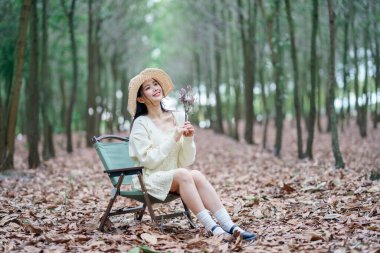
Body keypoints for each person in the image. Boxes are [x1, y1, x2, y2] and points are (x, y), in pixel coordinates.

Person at [127, 68, 255, 241]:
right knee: (183, 174)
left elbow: (186, 160)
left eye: (156, 84)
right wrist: (173, 139)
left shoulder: (177, 116)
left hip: (174, 175)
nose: (155, 88)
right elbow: (147, 161)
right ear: (141, 98)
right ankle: (214, 229)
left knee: (195, 174)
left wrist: (188, 139)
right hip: (148, 178)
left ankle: (230, 226)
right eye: (148, 87)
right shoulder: (141, 124)